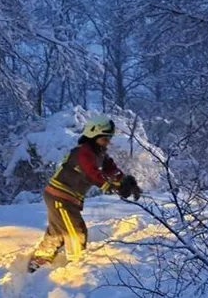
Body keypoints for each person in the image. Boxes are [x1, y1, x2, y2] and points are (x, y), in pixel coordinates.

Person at [28, 114, 141, 273]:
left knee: (58, 230)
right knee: (76, 231)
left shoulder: (99, 154)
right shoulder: (84, 152)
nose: (107, 142)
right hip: (60, 196)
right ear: (93, 134)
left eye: (109, 138)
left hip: (65, 198)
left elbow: (112, 170)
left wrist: (125, 181)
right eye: (104, 138)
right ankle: (76, 268)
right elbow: (92, 174)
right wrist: (113, 187)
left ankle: (39, 261)